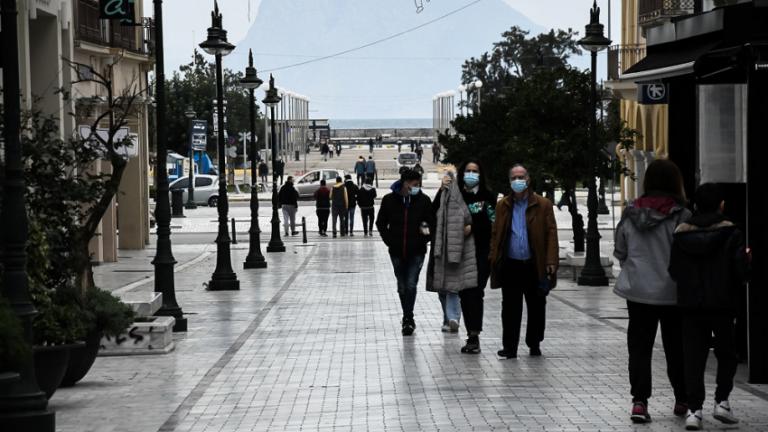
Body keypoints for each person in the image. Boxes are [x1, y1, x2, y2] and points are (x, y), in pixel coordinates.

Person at [612, 159, 691, 424]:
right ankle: (682, 398)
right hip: (672, 292)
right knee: (676, 347)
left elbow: (620, 250)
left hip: (638, 292)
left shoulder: (631, 212)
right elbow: (687, 253)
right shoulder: (681, 214)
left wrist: (634, 266)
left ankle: (639, 402)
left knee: (639, 348)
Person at [668, 183, 748, 430]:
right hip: (723, 303)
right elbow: (741, 271)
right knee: (727, 354)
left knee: (693, 357)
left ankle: (694, 410)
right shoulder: (732, 233)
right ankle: (722, 401)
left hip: (691, 304)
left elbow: (674, 271)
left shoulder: (681, 234)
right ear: (721, 205)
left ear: (694, 205)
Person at [489, 163, 558, 359]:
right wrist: (493, 257)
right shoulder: (503, 205)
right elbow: (496, 233)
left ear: (528, 179)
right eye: (514, 178)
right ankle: (510, 347)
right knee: (510, 308)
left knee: (536, 306)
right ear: (509, 181)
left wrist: (551, 260)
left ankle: (534, 342)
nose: (518, 181)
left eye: (521, 177)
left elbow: (551, 232)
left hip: (533, 263)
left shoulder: (543, 204)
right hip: (511, 264)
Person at [439, 160, 497, 353]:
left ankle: (474, 335)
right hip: (460, 252)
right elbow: (438, 213)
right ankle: (471, 333)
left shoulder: (487, 196)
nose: (471, 174)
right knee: (464, 293)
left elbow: (492, 222)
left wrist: (473, 226)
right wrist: (442, 190)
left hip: (480, 251)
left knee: (475, 291)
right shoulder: (455, 194)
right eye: (468, 171)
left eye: (475, 171)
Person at [376, 169, 435, 336]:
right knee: (402, 286)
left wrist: (423, 238)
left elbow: (430, 223)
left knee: (410, 284)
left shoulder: (423, 200)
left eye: (419, 184)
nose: (417, 187)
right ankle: (407, 315)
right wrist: (389, 240)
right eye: (414, 184)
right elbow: (381, 222)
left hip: (416, 251)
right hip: (396, 251)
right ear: (405, 183)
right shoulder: (389, 200)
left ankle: (408, 318)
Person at [428, 170, 475, 338]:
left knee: (452, 287)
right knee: (442, 288)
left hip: (456, 248)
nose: (449, 183)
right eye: (446, 180)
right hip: (440, 249)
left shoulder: (463, 196)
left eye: (451, 180)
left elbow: (472, 217)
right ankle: (447, 319)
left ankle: (453, 317)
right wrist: (441, 190)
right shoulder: (441, 196)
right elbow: (431, 214)